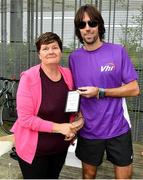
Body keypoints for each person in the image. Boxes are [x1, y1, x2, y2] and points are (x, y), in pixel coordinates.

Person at [69, 4, 140, 179]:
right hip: (89, 130)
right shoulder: (74, 58)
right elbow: (74, 92)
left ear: (99, 25)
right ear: (79, 30)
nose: (88, 28)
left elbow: (134, 89)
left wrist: (101, 92)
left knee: (124, 177)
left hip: (118, 128)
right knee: (88, 174)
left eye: (92, 23)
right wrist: (74, 118)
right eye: (82, 24)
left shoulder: (117, 51)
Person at [11, 32, 84, 179]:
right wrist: (60, 128)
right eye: (45, 48)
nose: (50, 51)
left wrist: (77, 124)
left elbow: (73, 109)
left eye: (54, 47)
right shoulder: (29, 78)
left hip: (59, 147)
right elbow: (25, 119)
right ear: (39, 54)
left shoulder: (68, 75)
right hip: (35, 151)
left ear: (60, 51)